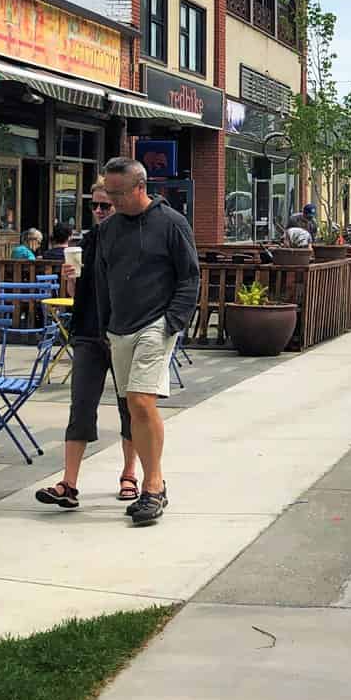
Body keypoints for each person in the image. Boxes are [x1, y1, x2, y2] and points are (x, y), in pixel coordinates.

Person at [93, 157, 199, 527]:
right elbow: (101, 282)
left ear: (140, 187)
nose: (112, 201)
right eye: (108, 192)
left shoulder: (171, 223)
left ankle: (152, 486)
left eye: (118, 193)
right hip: (119, 327)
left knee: (141, 399)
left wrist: (173, 322)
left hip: (157, 324)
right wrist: (105, 326)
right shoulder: (108, 231)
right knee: (131, 408)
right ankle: (153, 482)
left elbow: (190, 277)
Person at [36, 184, 138, 512]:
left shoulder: (132, 241)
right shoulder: (90, 240)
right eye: (94, 206)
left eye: (105, 206)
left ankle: (129, 474)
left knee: (130, 406)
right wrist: (69, 280)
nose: (98, 212)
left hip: (123, 333)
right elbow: (81, 294)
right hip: (88, 332)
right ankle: (69, 483)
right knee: (80, 406)